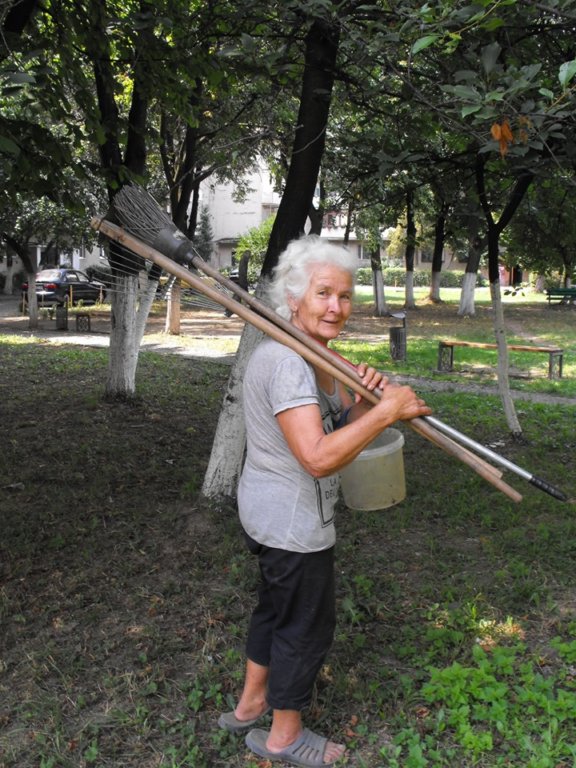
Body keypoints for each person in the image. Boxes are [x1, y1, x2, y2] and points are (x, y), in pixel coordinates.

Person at [218, 235, 431, 767]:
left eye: (344, 295)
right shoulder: (288, 362)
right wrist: (387, 414)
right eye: (322, 294)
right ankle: (283, 737)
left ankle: (252, 704)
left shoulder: (310, 355)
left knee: (275, 608)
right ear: (293, 299)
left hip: (267, 512)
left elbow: (332, 431)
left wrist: (365, 407)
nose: (336, 306)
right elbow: (316, 457)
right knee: (304, 625)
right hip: (292, 521)